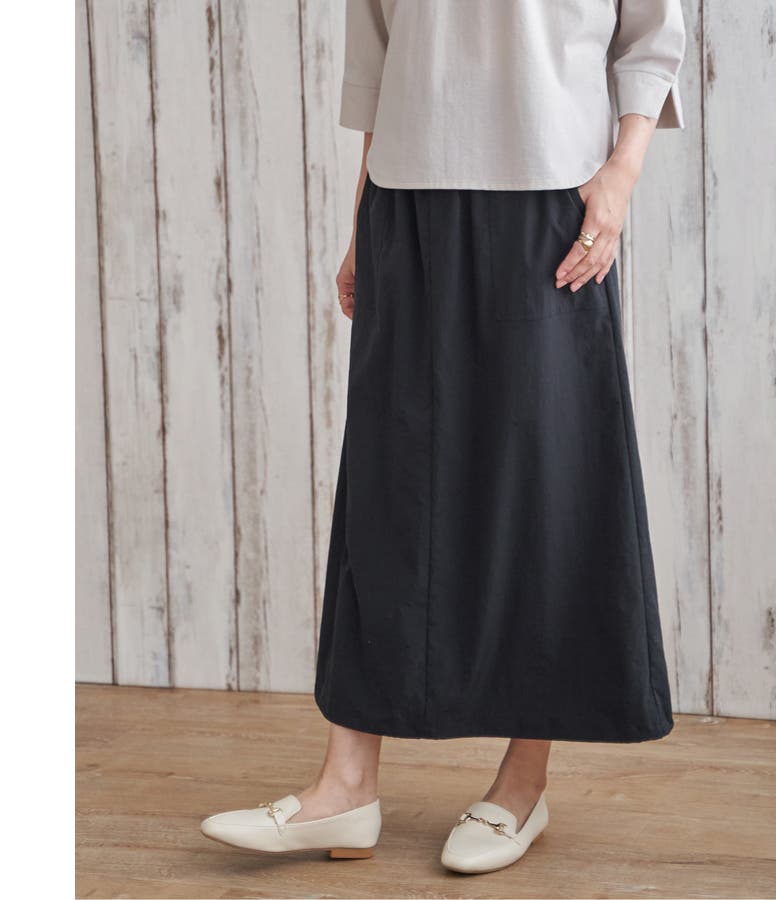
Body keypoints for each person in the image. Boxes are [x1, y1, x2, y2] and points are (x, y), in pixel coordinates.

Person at [201, 0, 686, 875]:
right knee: (389, 486)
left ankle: (523, 782)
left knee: (541, 487)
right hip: (406, 203)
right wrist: (363, 218)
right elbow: (380, 53)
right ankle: (346, 786)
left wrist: (620, 175)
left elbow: (650, 35)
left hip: (551, 198)